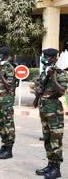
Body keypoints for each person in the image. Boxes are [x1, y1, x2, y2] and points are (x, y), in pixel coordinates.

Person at [34, 48, 68, 179]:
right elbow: (40, 88)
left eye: (47, 56)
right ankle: (50, 164)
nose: (45, 58)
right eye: (44, 56)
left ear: (54, 58)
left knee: (55, 140)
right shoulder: (44, 72)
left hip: (54, 111)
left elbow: (61, 91)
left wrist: (53, 76)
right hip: (44, 110)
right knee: (47, 140)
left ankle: (57, 169)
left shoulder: (60, 73)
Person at [0, 46, 16, 159]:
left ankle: (9, 150)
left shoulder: (9, 67)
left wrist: (0, 73)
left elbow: (9, 86)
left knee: (8, 124)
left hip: (6, 101)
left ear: (4, 55)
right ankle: (4, 146)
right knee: (0, 124)